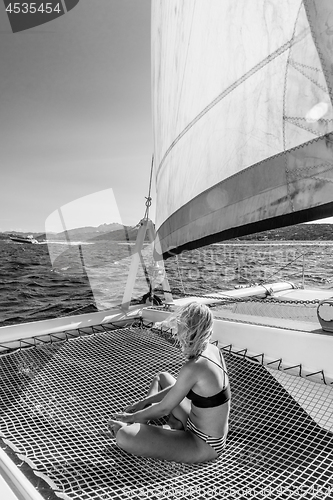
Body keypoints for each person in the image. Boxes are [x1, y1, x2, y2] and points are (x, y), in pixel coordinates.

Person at [108, 302, 230, 463]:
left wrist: (130, 417)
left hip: (203, 443)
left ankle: (150, 425)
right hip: (194, 423)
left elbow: (164, 408)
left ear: (189, 330)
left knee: (124, 436)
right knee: (162, 377)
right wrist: (144, 402)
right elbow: (179, 389)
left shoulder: (194, 367)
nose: (176, 332)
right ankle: (165, 424)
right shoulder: (214, 350)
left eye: (179, 327)